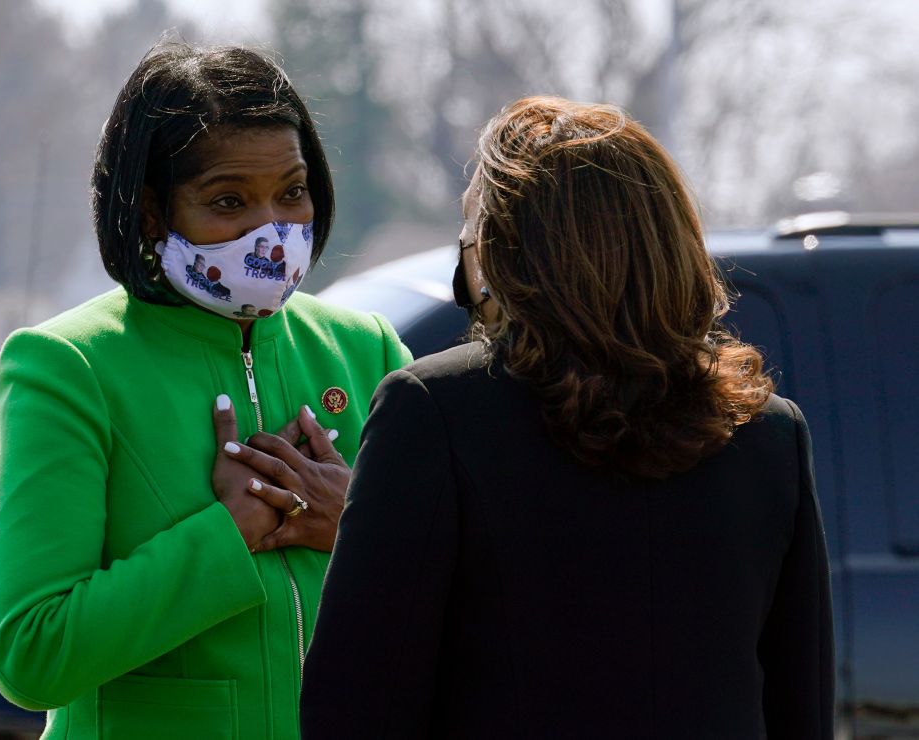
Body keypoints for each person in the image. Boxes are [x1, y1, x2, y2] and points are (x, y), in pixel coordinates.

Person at [300, 96, 834, 739]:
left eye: (470, 231)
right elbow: (800, 710)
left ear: (503, 256)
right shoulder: (768, 434)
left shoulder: (433, 413)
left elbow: (353, 706)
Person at [0, 42, 411, 739]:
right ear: (151, 212)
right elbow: (31, 653)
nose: (271, 230)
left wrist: (356, 529)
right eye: (228, 201)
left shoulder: (368, 350)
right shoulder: (69, 368)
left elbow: (467, 607)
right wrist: (226, 536)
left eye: (291, 192)